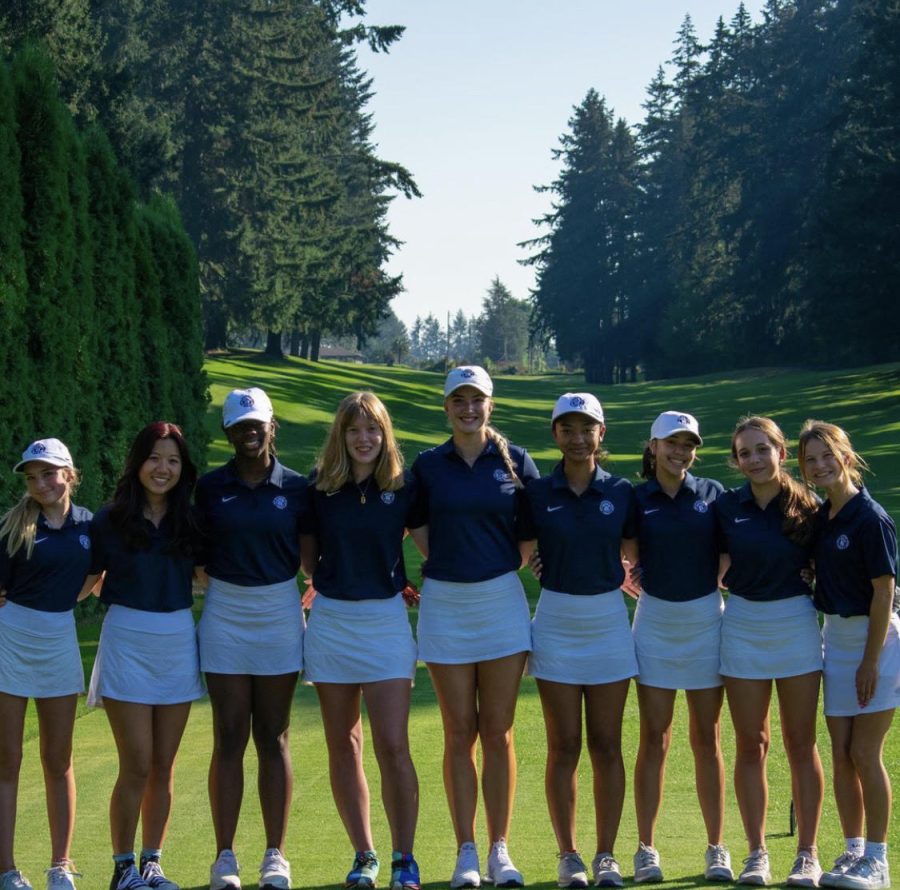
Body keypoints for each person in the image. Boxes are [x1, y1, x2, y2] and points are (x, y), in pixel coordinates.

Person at [407, 366, 538, 890]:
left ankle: (499, 848)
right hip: (445, 603)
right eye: (458, 399)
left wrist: (493, 567)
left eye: (476, 399)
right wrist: (448, 563)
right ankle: (466, 849)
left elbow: (527, 536)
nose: (468, 408)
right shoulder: (427, 465)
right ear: (447, 407)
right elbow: (417, 525)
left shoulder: (514, 460)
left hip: (501, 601)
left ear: (491, 404)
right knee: (459, 731)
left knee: (498, 730)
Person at [301, 391, 421, 890]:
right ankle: (364, 855)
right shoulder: (318, 489)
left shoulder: (404, 487)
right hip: (332, 623)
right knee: (343, 744)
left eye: (372, 429)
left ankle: (403, 858)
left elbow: (432, 545)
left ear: (384, 434)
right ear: (341, 436)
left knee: (392, 744)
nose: (364, 439)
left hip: (387, 622)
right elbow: (309, 562)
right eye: (354, 430)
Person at [521, 393, 639, 890]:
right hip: (556, 621)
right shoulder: (537, 491)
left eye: (586, 427)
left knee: (607, 745)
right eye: (566, 428)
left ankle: (606, 855)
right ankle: (569, 855)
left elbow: (634, 551)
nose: (576, 437)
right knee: (564, 744)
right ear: (555, 435)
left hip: (608, 622)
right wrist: (533, 561)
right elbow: (521, 547)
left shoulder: (622, 491)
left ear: (601, 434)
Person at [196, 388, 309, 890]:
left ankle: (274, 856)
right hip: (225, 613)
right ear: (228, 431)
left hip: (280, 613)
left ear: (271, 426)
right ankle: (225, 857)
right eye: (240, 425)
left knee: (273, 734)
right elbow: (194, 554)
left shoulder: (298, 488)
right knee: (229, 733)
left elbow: (313, 556)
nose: (250, 431)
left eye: (257, 423)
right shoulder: (208, 488)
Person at [85, 422, 205, 890]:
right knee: (136, 761)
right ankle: (123, 868)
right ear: (138, 462)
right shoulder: (109, 519)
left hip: (176, 640)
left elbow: (209, 577)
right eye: (155, 458)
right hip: (127, 641)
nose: (163, 468)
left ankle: (152, 863)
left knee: (163, 764)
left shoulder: (191, 520)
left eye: (173, 460)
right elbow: (83, 579)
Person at [716, 416, 825, 887]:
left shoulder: (810, 505)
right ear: (737, 460)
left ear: (782, 452)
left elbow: (837, 564)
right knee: (751, 743)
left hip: (796, 624)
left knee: (801, 743)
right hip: (742, 624)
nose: (756, 459)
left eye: (764, 449)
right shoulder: (725, 506)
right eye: (746, 452)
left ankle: (808, 853)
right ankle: (757, 853)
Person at [630, 411, 732, 883]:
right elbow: (623, 551)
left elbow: (734, 550)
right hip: (654, 623)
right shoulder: (635, 498)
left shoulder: (713, 495)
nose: (681, 451)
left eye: (689, 443)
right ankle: (646, 849)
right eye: (672, 442)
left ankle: (717, 847)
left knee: (707, 738)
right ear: (653, 447)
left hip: (705, 621)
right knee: (655, 737)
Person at [798, 421, 898, 890]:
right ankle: (854, 850)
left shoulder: (871, 517)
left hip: (874, 641)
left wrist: (870, 661)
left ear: (845, 454)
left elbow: (884, 593)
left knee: (863, 751)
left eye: (826, 455)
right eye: (810, 460)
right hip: (833, 638)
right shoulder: (823, 517)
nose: (820, 466)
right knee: (840, 754)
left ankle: (879, 861)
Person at [0, 440, 93, 890]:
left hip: (59, 638)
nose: (40, 483)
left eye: (49, 473)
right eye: (32, 476)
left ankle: (61, 865)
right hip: (10, 639)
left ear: (69, 474)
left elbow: (95, 577)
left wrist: (59, 606)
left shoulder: (90, 526)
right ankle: (6, 869)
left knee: (58, 758)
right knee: (7, 758)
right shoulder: (11, 527)